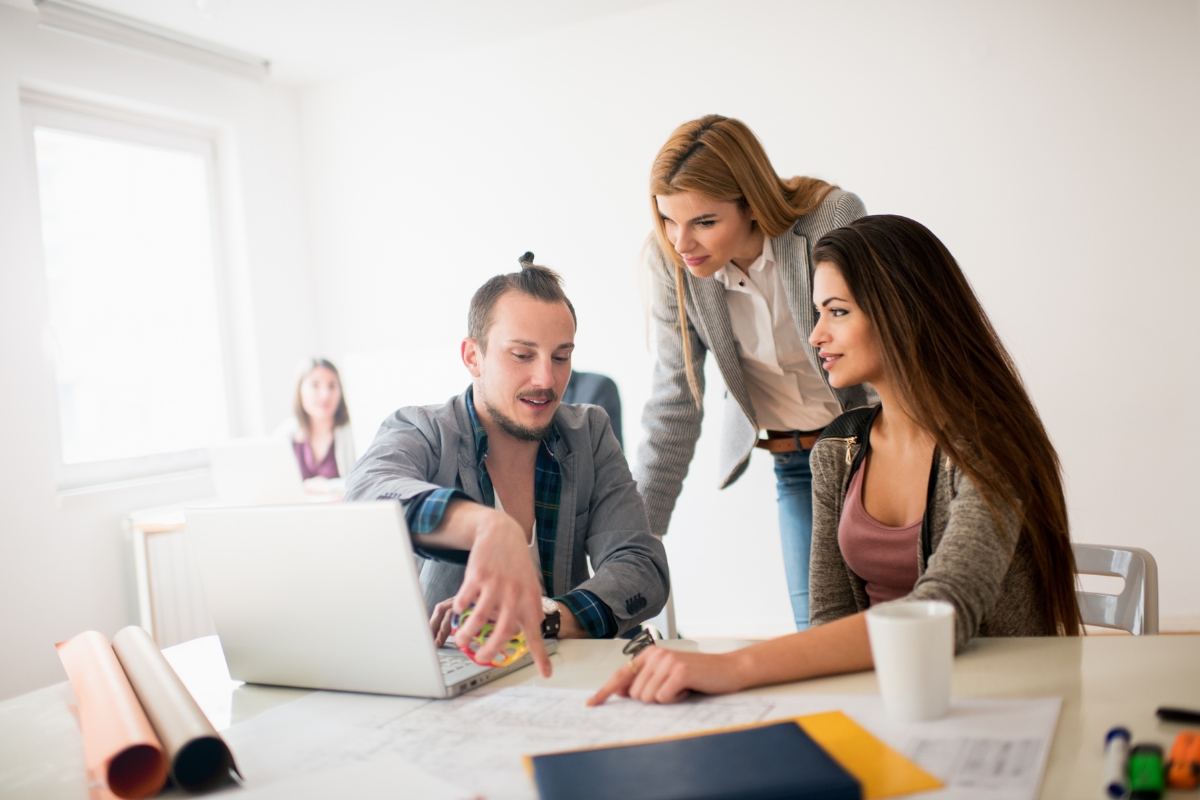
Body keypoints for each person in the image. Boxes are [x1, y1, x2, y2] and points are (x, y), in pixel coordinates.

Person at [590, 215, 1080, 706]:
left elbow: (943, 612)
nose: (816, 334)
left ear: (902, 313)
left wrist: (736, 665)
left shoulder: (988, 445)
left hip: (1000, 705)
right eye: (818, 312)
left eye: (837, 312)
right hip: (883, 702)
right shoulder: (841, 449)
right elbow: (830, 620)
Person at [345, 254, 669, 676]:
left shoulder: (589, 434)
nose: (546, 380)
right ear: (472, 356)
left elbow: (640, 567)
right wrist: (485, 526)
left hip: (560, 679)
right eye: (522, 355)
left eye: (560, 356)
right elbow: (366, 493)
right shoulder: (422, 429)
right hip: (447, 679)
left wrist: (545, 616)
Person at [635, 114, 870, 631]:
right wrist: (634, 540)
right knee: (817, 634)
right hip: (792, 463)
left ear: (751, 201)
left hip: (873, 453)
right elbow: (677, 395)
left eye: (704, 221)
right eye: (668, 219)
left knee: (901, 625)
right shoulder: (671, 261)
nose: (681, 241)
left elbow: (885, 344)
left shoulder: (829, 219)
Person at [277, 358, 356, 496]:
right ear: (300, 390)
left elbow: (366, 482)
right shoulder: (285, 434)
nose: (325, 395)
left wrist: (329, 487)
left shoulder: (353, 432)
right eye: (315, 385)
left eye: (332, 386)